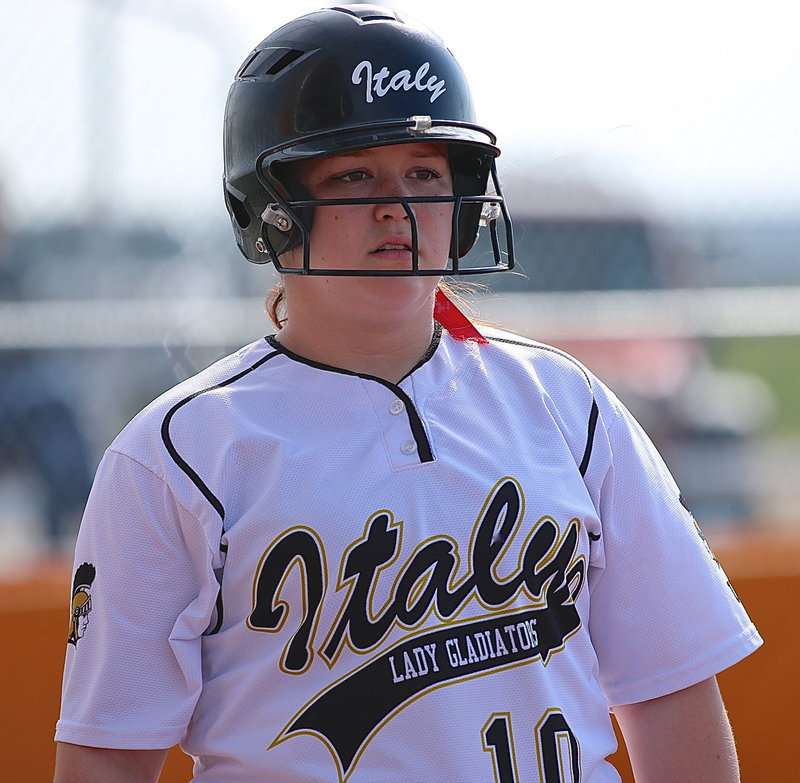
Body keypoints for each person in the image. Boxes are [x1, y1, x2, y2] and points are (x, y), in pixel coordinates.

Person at [54, 6, 762, 782]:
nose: (397, 205)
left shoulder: (567, 405)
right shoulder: (182, 450)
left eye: (426, 173)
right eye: (353, 174)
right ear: (271, 209)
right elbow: (107, 753)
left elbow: (672, 693)